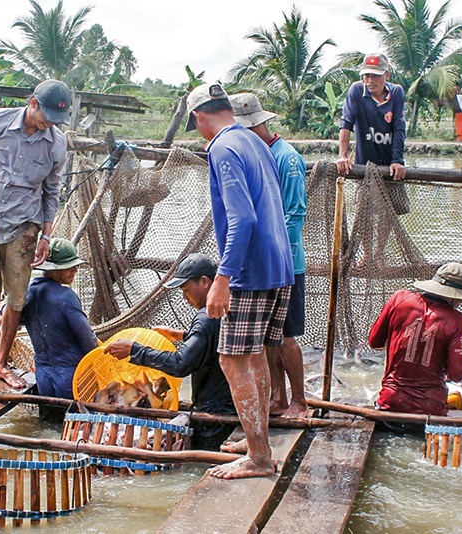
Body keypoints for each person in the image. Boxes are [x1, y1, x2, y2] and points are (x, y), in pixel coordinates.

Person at [185, 83, 294, 478]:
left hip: (248, 269)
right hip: (277, 263)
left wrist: (223, 278)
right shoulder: (254, 141)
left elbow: (242, 218)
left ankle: (259, 459)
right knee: (257, 357)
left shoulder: (222, 148)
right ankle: (256, 439)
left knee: (233, 361)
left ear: (200, 117)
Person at [0, 79, 71, 389]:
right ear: (32, 103)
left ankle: (0, 364)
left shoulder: (56, 143)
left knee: (17, 299)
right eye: (46, 114)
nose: (49, 123)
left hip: (24, 228)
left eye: (56, 119)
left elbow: (52, 191)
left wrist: (46, 236)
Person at [104, 253, 236, 450]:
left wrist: (134, 350)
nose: (185, 297)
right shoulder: (228, 306)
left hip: (213, 419)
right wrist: (182, 335)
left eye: (186, 289)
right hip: (232, 409)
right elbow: (215, 341)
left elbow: (180, 364)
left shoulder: (205, 317)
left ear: (204, 282)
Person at [230, 92, 308, 419]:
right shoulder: (257, 154)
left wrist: (272, 255)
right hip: (265, 262)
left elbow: (294, 214)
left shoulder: (286, 158)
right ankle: (277, 396)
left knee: (287, 336)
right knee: (267, 337)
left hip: (286, 262)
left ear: (257, 125)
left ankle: (300, 401)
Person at [368, 262, 462, 417]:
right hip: (431, 408)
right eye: (461, 299)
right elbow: (457, 375)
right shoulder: (456, 320)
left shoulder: (398, 299)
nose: (461, 302)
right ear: (453, 296)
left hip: (390, 402)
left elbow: (375, 341)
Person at [335, 53, 408, 267]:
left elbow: (399, 128)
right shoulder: (357, 91)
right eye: (366, 75)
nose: (370, 81)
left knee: (387, 211)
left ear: (386, 75)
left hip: (388, 163)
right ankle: (366, 255)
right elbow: (346, 124)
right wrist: (342, 155)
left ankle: (379, 253)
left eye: (375, 76)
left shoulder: (396, 93)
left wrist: (397, 160)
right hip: (364, 164)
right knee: (363, 211)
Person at [19, 238, 97, 419]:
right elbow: (88, 343)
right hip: (70, 379)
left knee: (50, 423)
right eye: (69, 267)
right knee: (74, 429)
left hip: (43, 378)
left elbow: (9, 317)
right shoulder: (66, 296)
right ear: (53, 268)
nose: (75, 271)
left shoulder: (28, 292)